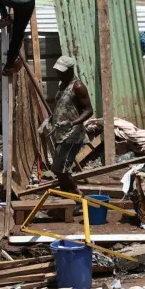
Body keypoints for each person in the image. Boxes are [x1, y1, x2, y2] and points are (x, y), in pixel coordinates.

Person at [43, 56, 93, 195]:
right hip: (61, 133)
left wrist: (72, 123)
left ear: (70, 70)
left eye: (62, 71)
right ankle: (66, 198)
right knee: (57, 169)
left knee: (61, 168)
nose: (59, 74)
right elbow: (62, 105)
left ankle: (78, 197)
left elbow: (89, 110)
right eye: (58, 71)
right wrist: (50, 119)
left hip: (73, 135)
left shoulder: (78, 86)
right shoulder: (61, 85)